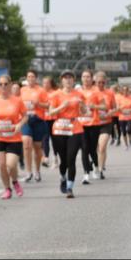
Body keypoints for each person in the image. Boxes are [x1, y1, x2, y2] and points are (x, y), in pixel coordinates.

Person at [45, 70, 87, 198]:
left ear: (74, 80)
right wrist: (62, 106)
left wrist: (82, 106)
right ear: (61, 80)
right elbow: (51, 113)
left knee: (71, 159)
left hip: (75, 128)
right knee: (63, 160)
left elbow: (84, 112)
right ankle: (62, 177)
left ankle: (69, 187)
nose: (68, 80)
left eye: (70, 78)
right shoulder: (56, 95)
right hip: (59, 129)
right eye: (65, 78)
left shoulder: (79, 94)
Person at [0, 74, 27, 198]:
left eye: (5, 84)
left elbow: (25, 115)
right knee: (2, 165)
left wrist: (20, 124)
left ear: (10, 85)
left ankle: (15, 181)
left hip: (13, 137)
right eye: (1, 84)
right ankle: (7, 189)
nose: (3, 86)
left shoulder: (17, 100)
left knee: (10, 164)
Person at [19, 70, 49, 182]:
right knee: (26, 144)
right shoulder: (22, 90)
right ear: (26, 78)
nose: (30, 78)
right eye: (29, 76)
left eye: (32, 76)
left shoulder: (41, 91)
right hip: (26, 120)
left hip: (38, 120)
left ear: (36, 78)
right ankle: (28, 172)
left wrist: (38, 104)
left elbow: (47, 105)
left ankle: (37, 171)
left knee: (37, 147)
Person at [78, 70, 105, 183]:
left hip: (94, 123)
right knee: (84, 149)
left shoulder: (96, 91)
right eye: (84, 76)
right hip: (81, 124)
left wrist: (95, 106)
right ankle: (85, 174)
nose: (86, 79)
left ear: (92, 78)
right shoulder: (77, 92)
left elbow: (104, 106)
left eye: (88, 76)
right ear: (81, 78)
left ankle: (96, 167)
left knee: (92, 149)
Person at [93, 71, 115, 179]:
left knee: (102, 147)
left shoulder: (110, 93)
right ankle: (98, 164)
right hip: (94, 123)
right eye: (98, 82)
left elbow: (114, 107)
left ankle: (101, 169)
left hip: (106, 123)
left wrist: (112, 112)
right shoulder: (91, 92)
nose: (101, 84)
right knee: (96, 148)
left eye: (103, 82)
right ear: (95, 81)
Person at [41, 76, 58, 167]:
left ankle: (55, 158)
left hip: (54, 118)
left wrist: (43, 105)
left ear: (51, 83)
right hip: (44, 118)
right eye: (44, 83)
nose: (45, 85)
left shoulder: (55, 93)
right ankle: (46, 157)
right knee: (45, 138)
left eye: (47, 83)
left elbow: (52, 105)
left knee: (54, 139)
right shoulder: (41, 93)